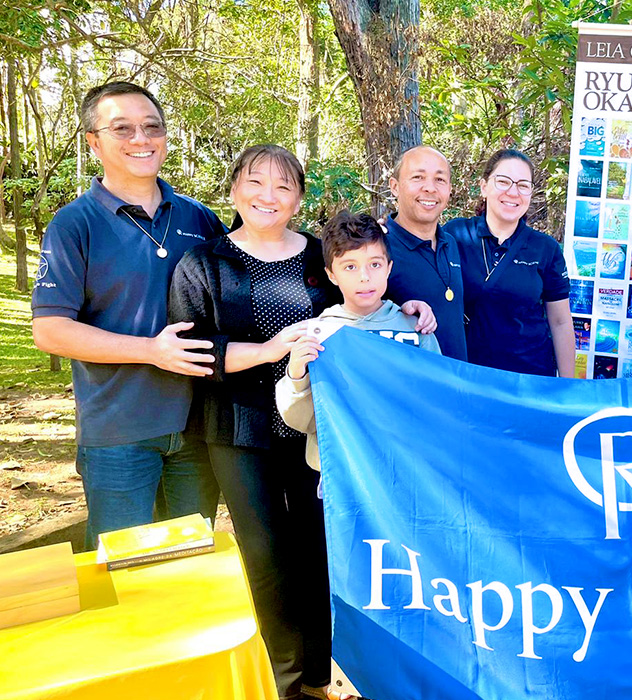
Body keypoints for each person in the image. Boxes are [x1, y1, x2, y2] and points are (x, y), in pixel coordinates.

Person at [168, 145, 435, 700]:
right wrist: (272, 352)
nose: (268, 196)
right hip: (241, 430)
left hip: (323, 437)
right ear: (234, 189)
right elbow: (193, 350)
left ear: (298, 197)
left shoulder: (319, 254)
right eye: (255, 182)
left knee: (322, 551)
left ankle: (321, 673)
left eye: (283, 185)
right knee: (266, 557)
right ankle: (283, 679)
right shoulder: (204, 263)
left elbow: (365, 294)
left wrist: (414, 308)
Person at [31, 81, 223, 550]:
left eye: (152, 127)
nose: (141, 138)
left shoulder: (199, 218)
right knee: (122, 572)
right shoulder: (74, 224)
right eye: (122, 129)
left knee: (191, 566)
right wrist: (152, 351)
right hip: (118, 433)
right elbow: (50, 330)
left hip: (199, 428)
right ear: (94, 142)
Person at [276, 211, 441, 472]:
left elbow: (438, 399)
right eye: (350, 267)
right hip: (343, 471)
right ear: (331, 274)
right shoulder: (320, 333)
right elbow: (303, 419)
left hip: (406, 466)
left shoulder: (415, 327)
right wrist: (296, 375)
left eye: (374, 264)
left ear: (389, 268)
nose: (364, 276)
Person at [443, 149, 574, 377]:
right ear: (484, 187)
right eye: (503, 181)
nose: (513, 192)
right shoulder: (455, 234)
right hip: (468, 375)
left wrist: (568, 385)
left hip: (529, 378)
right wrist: (387, 235)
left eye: (523, 185)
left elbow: (560, 321)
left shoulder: (545, 248)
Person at [384, 145, 467, 361]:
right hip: (409, 379)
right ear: (395, 186)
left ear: (450, 189)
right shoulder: (376, 248)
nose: (430, 188)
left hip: (457, 376)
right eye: (418, 177)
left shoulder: (450, 243)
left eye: (440, 179)